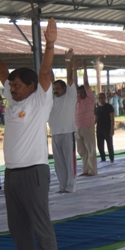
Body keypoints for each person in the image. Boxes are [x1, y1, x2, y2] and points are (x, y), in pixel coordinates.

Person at [0, 21, 60, 250]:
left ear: (33, 86)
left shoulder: (39, 100)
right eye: (11, 86)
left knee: (41, 226)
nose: (12, 89)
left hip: (34, 172)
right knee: (18, 228)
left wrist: (49, 43)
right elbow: (2, 71)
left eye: (18, 86)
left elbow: (45, 70)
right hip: (12, 174)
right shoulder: (14, 101)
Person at [48, 50, 78, 194]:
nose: (55, 91)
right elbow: (50, 79)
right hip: (55, 134)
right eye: (54, 89)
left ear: (65, 89)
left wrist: (68, 61)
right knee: (58, 163)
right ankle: (62, 186)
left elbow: (70, 78)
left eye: (58, 89)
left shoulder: (70, 96)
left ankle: (71, 187)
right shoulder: (52, 99)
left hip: (68, 133)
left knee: (69, 162)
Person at [74, 63, 97, 176]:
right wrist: (74, 68)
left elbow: (86, 84)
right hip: (78, 128)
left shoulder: (90, 99)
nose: (80, 93)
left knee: (91, 150)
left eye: (82, 91)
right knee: (82, 151)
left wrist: (84, 68)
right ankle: (85, 170)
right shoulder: (76, 100)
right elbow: (73, 84)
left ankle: (92, 170)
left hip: (88, 127)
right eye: (79, 92)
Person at [95, 91, 115, 163]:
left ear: (105, 98)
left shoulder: (109, 107)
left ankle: (111, 158)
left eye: (102, 98)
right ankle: (103, 158)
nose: (100, 99)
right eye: (99, 98)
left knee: (109, 145)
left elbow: (112, 118)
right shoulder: (97, 108)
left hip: (107, 128)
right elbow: (95, 119)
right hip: (99, 129)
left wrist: (112, 129)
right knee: (100, 145)